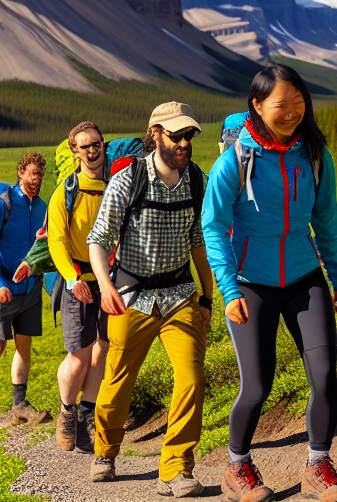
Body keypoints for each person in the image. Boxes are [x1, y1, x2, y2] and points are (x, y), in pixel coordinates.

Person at [203, 64, 337, 502]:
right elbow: (213, 226)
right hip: (251, 283)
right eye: (280, 105)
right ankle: (237, 466)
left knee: (324, 376)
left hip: (305, 278)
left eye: (298, 102)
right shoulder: (235, 159)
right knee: (257, 386)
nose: (292, 112)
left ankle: (318, 467)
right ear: (257, 105)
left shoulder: (314, 153)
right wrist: (230, 290)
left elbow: (325, 220)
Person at [86, 101, 216, 498]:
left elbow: (199, 243)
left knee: (192, 379)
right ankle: (105, 453)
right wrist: (106, 287)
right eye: (176, 136)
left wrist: (208, 298)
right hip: (131, 295)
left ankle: (175, 469)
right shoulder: (129, 181)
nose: (184, 143)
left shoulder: (198, 180)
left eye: (189, 136)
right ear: (155, 134)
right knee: (117, 382)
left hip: (179, 295)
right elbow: (98, 239)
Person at [46, 121, 112, 452]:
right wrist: (72, 280)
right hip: (79, 281)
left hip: (111, 279)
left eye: (96, 144)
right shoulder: (65, 192)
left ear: (103, 145)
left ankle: (86, 414)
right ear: (75, 151)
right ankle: (67, 411)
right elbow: (56, 241)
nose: (92, 150)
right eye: (85, 146)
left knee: (104, 348)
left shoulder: (117, 184)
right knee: (79, 356)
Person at [0, 150, 50, 425]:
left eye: (40, 175)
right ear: (20, 173)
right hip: (2, 286)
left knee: (24, 346)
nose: (36, 180)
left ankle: (19, 405)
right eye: (32, 174)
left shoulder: (43, 208)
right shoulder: (1, 205)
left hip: (29, 289)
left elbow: (45, 248)